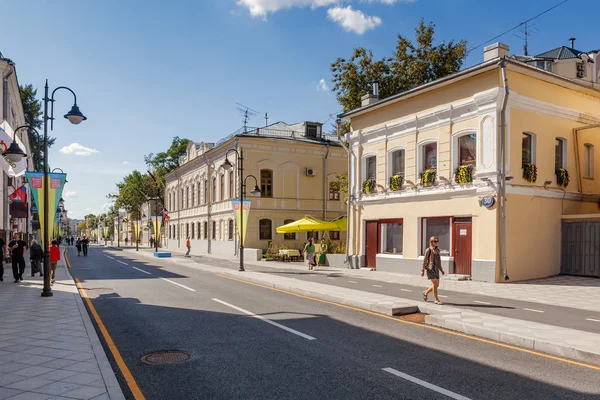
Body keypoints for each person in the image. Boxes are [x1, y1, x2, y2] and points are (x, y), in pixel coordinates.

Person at [421, 236, 446, 305]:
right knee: (435, 284)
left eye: (437, 241)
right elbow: (424, 260)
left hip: (436, 269)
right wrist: (422, 270)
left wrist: (441, 270)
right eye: (435, 241)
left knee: (437, 285)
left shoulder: (437, 250)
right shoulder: (428, 250)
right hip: (430, 269)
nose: (436, 242)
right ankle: (436, 300)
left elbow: (439, 262)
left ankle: (425, 292)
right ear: (431, 242)